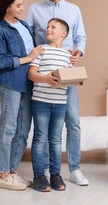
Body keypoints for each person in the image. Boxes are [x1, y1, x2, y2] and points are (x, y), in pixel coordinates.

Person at [26, 0, 88, 186]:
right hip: (42, 70)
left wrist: (78, 52)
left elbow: (80, 37)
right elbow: (28, 38)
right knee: (42, 128)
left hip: (67, 69)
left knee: (73, 121)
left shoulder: (74, 10)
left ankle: (75, 169)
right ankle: (42, 172)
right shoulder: (34, 9)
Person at [0, 0, 44, 191]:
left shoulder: (24, 26)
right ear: (7, 6)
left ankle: (12, 171)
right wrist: (28, 58)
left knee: (23, 131)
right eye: (18, 5)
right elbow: (2, 61)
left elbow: (36, 51)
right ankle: (3, 174)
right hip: (10, 83)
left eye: (22, 4)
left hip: (28, 83)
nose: (22, 8)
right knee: (8, 128)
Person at [28, 18, 71, 192]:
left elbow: (68, 77)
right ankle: (39, 176)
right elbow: (31, 74)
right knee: (40, 139)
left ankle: (55, 175)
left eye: (53, 27)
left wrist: (75, 80)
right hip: (41, 101)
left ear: (63, 33)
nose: (48, 29)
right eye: (47, 26)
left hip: (60, 103)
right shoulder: (41, 50)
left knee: (55, 140)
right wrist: (46, 79)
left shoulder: (68, 55)